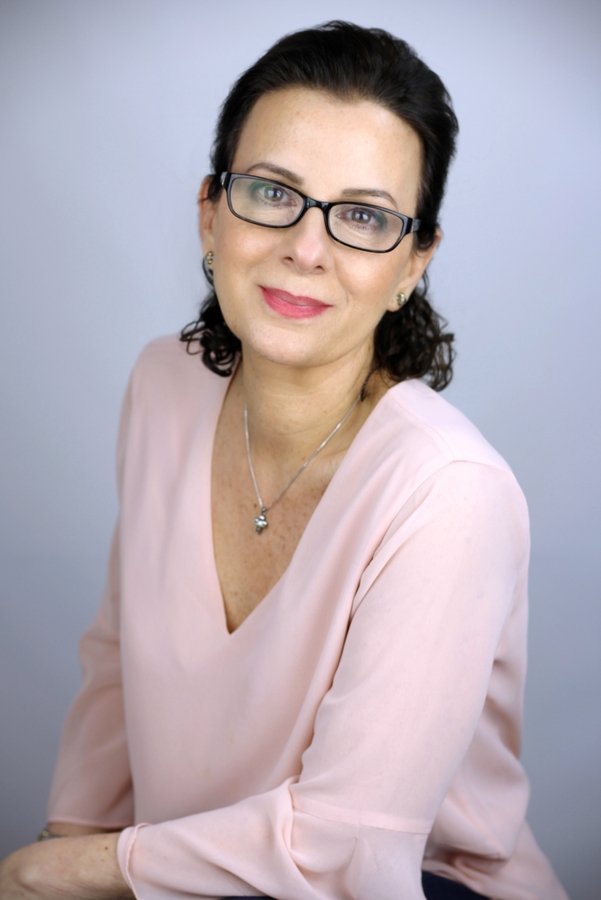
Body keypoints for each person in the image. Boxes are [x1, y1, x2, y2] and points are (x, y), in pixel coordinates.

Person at [0, 20, 569, 900]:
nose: (306, 248)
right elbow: (116, 660)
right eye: (273, 192)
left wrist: (58, 873)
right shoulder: (162, 386)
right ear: (210, 212)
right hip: (188, 876)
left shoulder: (449, 492)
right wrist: (64, 840)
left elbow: (346, 852)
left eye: (364, 216)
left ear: (413, 263)